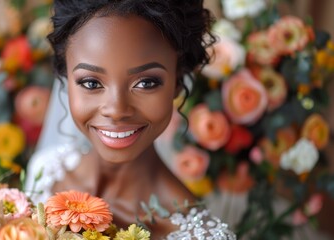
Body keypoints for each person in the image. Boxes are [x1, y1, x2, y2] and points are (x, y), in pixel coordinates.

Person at [25, 0, 236, 239]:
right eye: (91, 83)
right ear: (66, 77)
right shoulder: (47, 170)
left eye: (146, 82)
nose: (117, 110)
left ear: (177, 82)